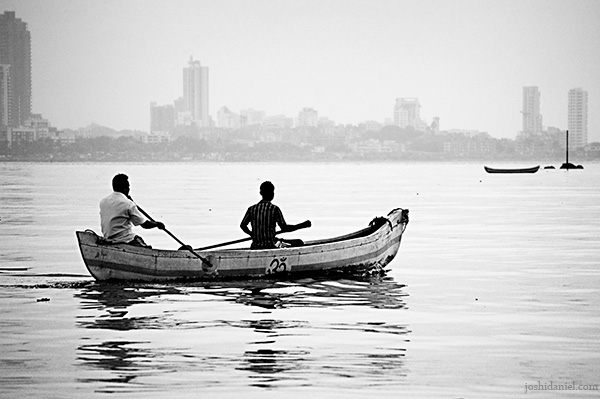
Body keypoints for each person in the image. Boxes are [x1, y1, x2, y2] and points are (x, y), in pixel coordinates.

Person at [240, 181, 310, 249]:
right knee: (299, 242)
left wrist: (252, 234)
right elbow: (284, 228)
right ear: (272, 194)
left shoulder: (252, 209)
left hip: (255, 246)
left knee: (281, 240)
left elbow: (243, 225)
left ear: (261, 193)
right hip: (271, 245)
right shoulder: (274, 209)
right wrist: (301, 225)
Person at [99, 174, 165, 247]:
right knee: (145, 246)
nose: (129, 189)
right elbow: (144, 224)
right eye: (128, 186)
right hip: (126, 239)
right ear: (125, 188)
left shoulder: (103, 202)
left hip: (108, 239)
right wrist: (157, 224)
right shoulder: (128, 204)